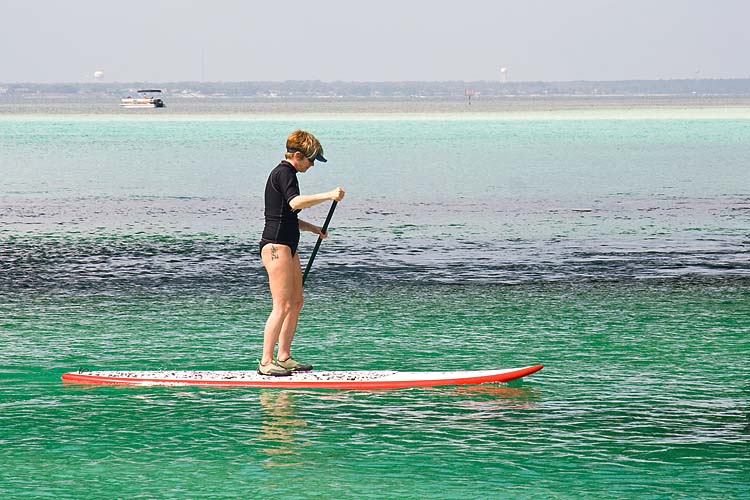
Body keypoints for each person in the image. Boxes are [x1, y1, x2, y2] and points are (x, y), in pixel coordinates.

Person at [258, 130, 345, 376]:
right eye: (311, 160)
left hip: (289, 245)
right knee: (282, 305)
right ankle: (266, 362)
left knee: (296, 302)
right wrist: (328, 195)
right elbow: (295, 203)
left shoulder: (290, 174)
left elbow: (287, 216)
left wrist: (313, 228)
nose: (313, 165)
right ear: (298, 155)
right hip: (276, 246)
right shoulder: (284, 172)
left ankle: (283, 356)